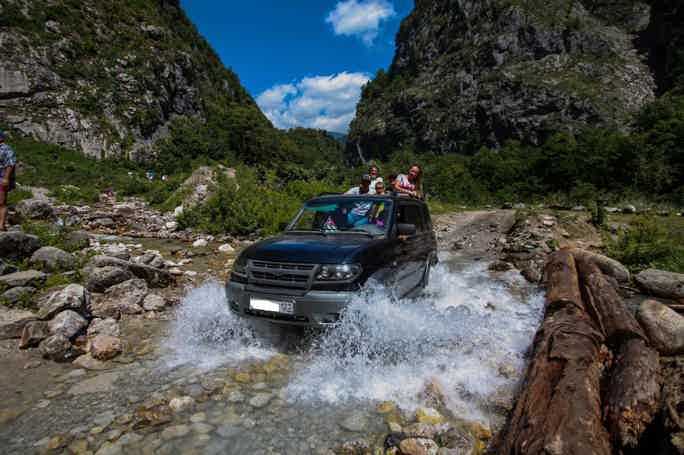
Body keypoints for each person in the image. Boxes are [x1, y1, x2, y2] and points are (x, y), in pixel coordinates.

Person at [0, 131, 17, 231]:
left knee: (1, 202)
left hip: (2, 177)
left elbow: (10, 164)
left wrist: (6, 178)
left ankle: (1, 225)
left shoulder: (6, 149)